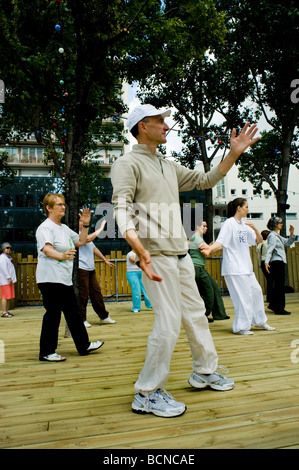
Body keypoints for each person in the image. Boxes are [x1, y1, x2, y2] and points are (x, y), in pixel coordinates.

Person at [111, 103, 260, 417]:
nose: (166, 126)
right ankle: (147, 394)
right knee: (167, 323)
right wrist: (139, 249)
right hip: (156, 258)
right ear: (142, 127)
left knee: (196, 316)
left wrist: (233, 154)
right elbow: (121, 209)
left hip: (180, 256)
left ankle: (205, 371)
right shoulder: (127, 164)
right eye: (159, 121)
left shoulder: (167, 164)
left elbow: (205, 179)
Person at [36, 193, 104, 362]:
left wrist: (86, 224)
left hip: (63, 279)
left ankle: (84, 345)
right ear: (49, 208)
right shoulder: (45, 228)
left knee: (73, 313)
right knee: (53, 314)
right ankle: (46, 352)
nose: (63, 207)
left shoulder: (63, 228)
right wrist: (61, 255)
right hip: (49, 278)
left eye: (64, 204)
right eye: (59, 204)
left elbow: (82, 241)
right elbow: (46, 249)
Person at [201, 198, 275, 335]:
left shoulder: (245, 226)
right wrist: (210, 250)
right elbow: (221, 242)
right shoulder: (229, 224)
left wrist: (254, 228)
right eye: (246, 207)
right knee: (243, 297)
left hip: (246, 268)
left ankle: (259, 321)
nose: (248, 209)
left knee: (257, 292)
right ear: (239, 208)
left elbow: (258, 240)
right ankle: (241, 327)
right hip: (234, 268)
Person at [78, 217, 116, 327]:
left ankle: (104, 317)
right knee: (83, 295)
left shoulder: (86, 234)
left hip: (90, 269)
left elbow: (94, 248)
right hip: (81, 269)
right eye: (80, 220)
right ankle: (82, 319)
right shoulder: (75, 234)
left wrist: (105, 260)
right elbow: (87, 239)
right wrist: (101, 228)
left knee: (96, 293)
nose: (83, 221)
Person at [189, 222, 229, 322]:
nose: (206, 228)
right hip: (196, 268)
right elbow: (208, 250)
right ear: (197, 226)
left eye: (207, 226)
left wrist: (213, 246)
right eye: (204, 226)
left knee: (214, 287)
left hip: (200, 268)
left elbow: (207, 248)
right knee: (208, 291)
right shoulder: (196, 238)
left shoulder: (197, 238)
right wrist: (225, 243)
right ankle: (203, 316)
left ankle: (219, 313)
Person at [264, 216, 296, 315]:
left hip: (279, 261)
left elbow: (287, 242)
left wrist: (291, 234)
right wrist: (266, 262)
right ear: (275, 225)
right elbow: (270, 249)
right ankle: (279, 309)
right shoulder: (272, 236)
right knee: (280, 286)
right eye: (280, 222)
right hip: (277, 262)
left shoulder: (276, 235)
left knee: (278, 285)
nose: (282, 224)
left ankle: (274, 305)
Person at [0, 243, 17, 318]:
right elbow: (4, 269)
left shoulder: (7, 257)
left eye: (10, 248)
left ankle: (6, 311)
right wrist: (8, 277)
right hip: (5, 280)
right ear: (3, 249)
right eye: (7, 248)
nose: (9, 249)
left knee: (8, 297)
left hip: (9, 280)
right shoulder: (2, 258)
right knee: (5, 296)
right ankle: (4, 312)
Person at [257, 229, 273, 305]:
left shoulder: (260, 244)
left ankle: (269, 297)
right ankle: (270, 298)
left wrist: (260, 264)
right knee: (271, 280)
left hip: (262, 262)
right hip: (268, 262)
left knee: (269, 280)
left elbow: (258, 255)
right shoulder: (267, 243)